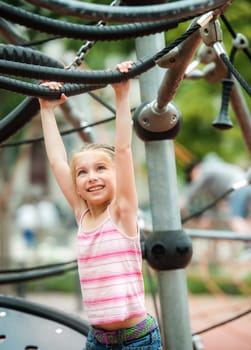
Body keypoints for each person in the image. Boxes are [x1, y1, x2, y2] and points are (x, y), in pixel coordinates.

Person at [38, 61, 162, 350]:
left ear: (117, 174)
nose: (91, 177)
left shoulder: (121, 213)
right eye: (82, 172)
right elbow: (57, 161)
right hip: (97, 340)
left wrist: (121, 95)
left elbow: (123, 150)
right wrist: (46, 110)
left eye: (101, 169)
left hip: (137, 340)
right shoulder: (82, 215)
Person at [182, 153, 251, 234]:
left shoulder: (205, 168)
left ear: (195, 169)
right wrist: (206, 219)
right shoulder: (213, 178)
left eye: (191, 177)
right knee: (245, 219)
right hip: (245, 187)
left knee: (236, 219)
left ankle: (248, 242)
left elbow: (194, 189)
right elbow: (214, 204)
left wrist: (183, 202)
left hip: (239, 188)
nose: (193, 180)